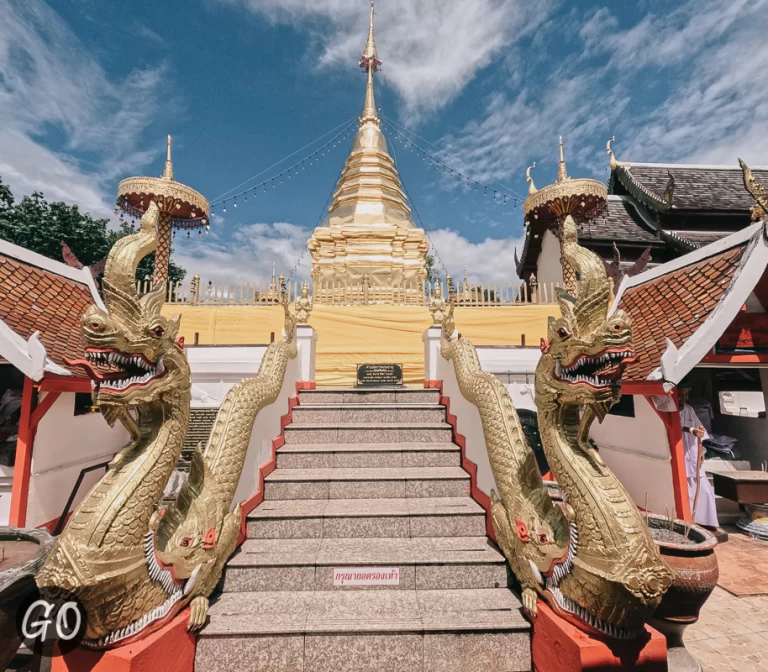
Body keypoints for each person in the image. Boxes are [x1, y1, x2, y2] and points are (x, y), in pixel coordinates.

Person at [678, 382, 719, 528]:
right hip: (680, 454)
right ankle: (690, 520)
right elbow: (678, 426)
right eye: (680, 395)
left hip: (693, 454)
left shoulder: (689, 409)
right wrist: (690, 430)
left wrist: (701, 451)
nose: (683, 398)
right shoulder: (669, 410)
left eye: (686, 395)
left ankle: (707, 522)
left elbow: (699, 430)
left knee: (705, 489)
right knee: (687, 491)